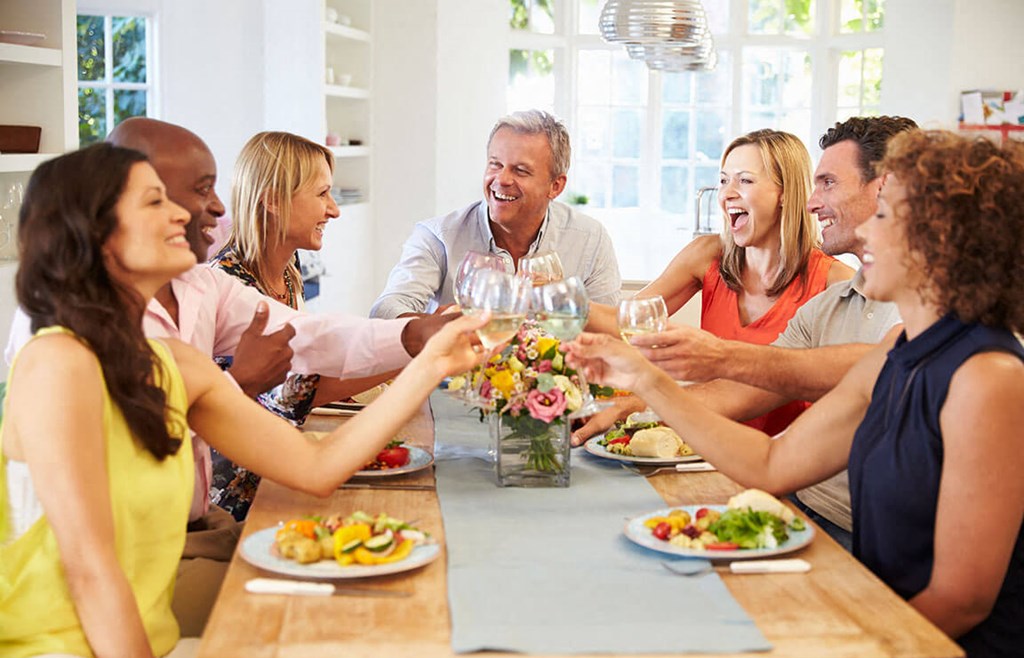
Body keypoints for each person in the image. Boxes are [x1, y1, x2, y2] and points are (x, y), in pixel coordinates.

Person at [0, 142, 486, 658]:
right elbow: (90, 573)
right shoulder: (57, 361)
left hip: (143, 641)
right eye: (154, 202)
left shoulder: (179, 363)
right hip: (54, 651)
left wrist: (430, 361)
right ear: (94, 232)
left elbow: (317, 469)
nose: (183, 214)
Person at [566, 129, 1024, 658]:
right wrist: (643, 381)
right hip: (880, 621)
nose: (867, 232)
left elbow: (960, 600)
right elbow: (771, 463)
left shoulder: (990, 378)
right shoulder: (895, 353)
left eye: (885, 216)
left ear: (942, 239)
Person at [574, 116, 917, 548]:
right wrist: (636, 399)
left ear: (884, 189)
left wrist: (718, 356)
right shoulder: (830, 306)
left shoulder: (922, 312)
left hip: (855, 530)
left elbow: (886, 361)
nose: (813, 203)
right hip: (792, 500)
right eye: (723, 180)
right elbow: (742, 402)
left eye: (827, 183)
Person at [588, 128, 854, 435]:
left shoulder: (834, 282)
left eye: (745, 180)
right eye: (724, 180)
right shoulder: (707, 255)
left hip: (786, 464)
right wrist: (555, 302)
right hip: (701, 448)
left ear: (785, 193)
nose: (727, 194)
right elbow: (628, 321)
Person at [210, 131, 404, 520]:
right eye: (322, 194)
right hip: (240, 501)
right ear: (272, 200)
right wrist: (419, 352)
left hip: (279, 468)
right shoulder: (228, 285)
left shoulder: (287, 269)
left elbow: (317, 352)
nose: (334, 210)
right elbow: (300, 389)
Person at [369, 109, 622, 318]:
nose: (501, 179)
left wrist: (561, 304)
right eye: (495, 164)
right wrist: (436, 325)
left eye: (521, 170)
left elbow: (610, 329)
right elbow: (385, 310)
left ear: (555, 186)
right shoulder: (438, 236)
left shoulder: (589, 238)